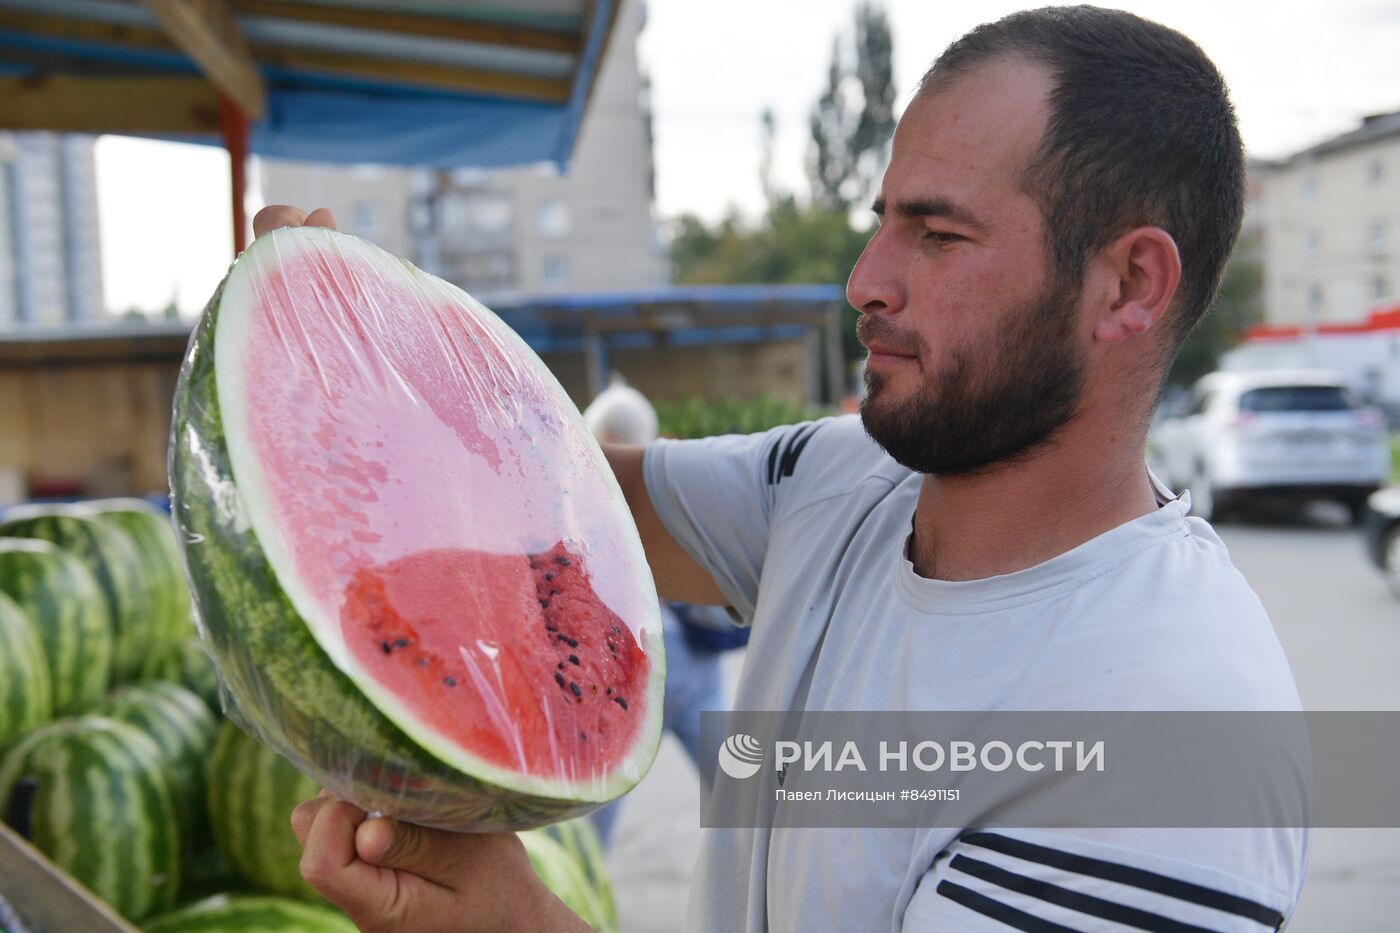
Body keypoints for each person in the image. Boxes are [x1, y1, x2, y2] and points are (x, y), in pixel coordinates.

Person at [282, 6, 1308, 930]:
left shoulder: (1173, 729)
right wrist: (349, 352)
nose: (863, 282)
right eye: (881, 224)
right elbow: (561, 500)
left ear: (1127, 283)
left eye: (937, 235)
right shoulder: (839, 483)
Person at [580, 376, 739, 844]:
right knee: (748, 802)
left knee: (594, 818)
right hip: (675, 675)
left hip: (646, 676)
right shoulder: (675, 491)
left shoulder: (591, 498)